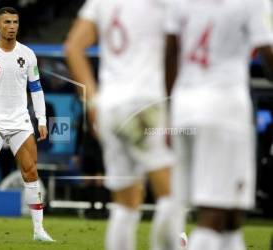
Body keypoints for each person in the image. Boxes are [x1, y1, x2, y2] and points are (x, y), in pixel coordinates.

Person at [65, 0, 187, 250]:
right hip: (146, 104)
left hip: (110, 107)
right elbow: (177, 49)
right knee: (172, 193)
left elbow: (73, 47)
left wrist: (93, 103)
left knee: (125, 204)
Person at [165, 0, 273, 249]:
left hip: (184, 106)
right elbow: (267, 52)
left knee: (232, 214)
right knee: (214, 212)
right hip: (223, 110)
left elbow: (170, 51)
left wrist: (169, 111)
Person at [0, 7, 54, 242]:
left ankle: (39, 231)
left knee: (30, 172)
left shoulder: (28, 54)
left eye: (15, 22)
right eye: (7, 21)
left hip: (20, 121)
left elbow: (36, 88)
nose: (12, 26)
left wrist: (41, 119)